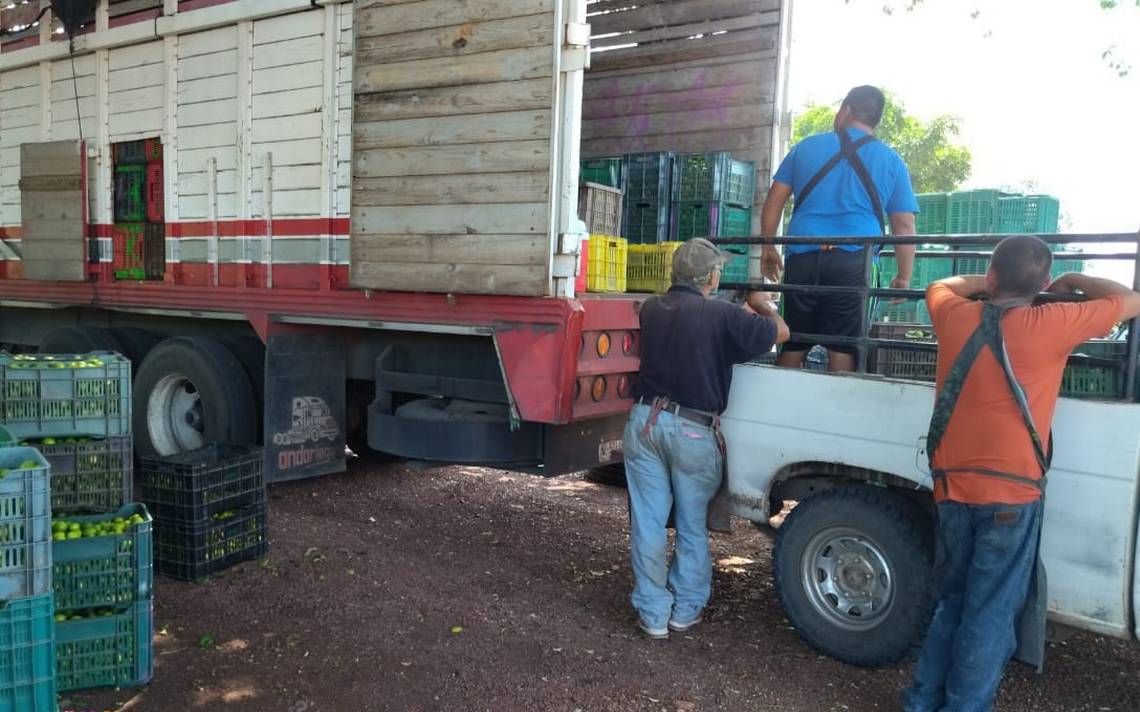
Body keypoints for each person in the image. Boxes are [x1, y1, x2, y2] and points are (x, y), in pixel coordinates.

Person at [902, 235, 1140, 712]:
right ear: (1044, 283)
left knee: (951, 599)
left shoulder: (952, 314)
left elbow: (943, 282)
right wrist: (1071, 282)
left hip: (952, 487)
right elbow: (1131, 300)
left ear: (991, 278)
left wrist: (985, 284)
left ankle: (921, 701)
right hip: (1013, 497)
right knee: (989, 613)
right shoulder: (1053, 322)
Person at [625, 238, 789, 639]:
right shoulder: (723, 315)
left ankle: (652, 613)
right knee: (691, 524)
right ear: (711, 277)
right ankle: (686, 608)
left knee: (647, 523)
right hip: (692, 430)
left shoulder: (651, 309)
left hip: (645, 420)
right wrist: (761, 302)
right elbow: (781, 332)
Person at [758, 85, 918, 372]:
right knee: (842, 346)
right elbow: (904, 225)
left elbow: (773, 201)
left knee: (794, 340)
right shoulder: (891, 160)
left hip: (802, 258)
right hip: (854, 261)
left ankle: (782, 409)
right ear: (875, 120)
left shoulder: (806, 147)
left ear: (845, 110)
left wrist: (769, 248)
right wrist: (903, 277)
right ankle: (833, 413)